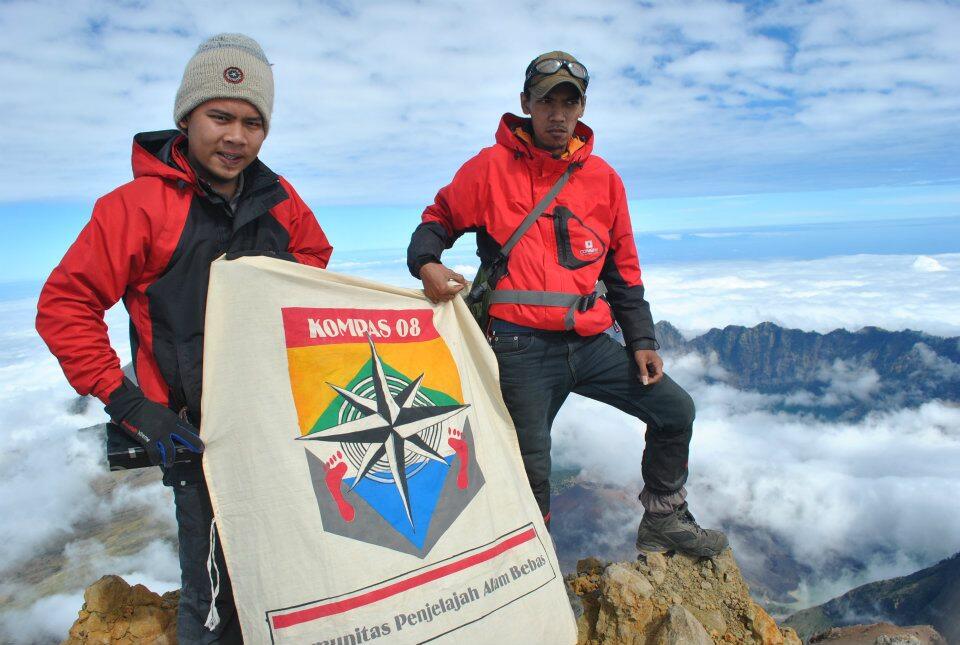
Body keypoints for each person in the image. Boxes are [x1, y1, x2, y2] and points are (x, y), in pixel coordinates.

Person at [36, 34, 332, 642]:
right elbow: (65, 305)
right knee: (214, 588)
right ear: (186, 117)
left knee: (283, 562)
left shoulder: (278, 200)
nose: (237, 137)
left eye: (253, 122)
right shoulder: (136, 208)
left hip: (276, 417)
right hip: (192, 429)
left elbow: (313, 260)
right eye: (219, 116)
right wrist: (131, 405)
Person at [407, 51, 727, 557]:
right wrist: (426, 262)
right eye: (546, 102)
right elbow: (438, 219)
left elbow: (623, 270)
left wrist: (641, 340)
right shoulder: (489, 169)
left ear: (582, 108)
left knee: (674, 410)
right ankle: (533, 569)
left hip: (589, 342)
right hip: (518, 347)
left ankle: (664, 518)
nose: (557, 114)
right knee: (530, 468)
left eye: (568, 103)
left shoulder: (604, 179)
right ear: (525, 104)